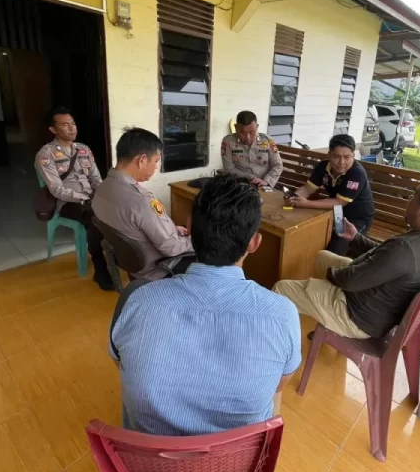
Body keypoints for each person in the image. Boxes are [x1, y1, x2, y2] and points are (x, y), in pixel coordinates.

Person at [109, 174, 301, 436]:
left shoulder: (138, 300)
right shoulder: (283, 314)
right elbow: (279, 385)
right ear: (254, 243)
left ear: (189, 227)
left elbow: (122, 364)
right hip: (237, 465)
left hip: (150, 465)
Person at [274, 173, 420, 339]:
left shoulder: (405, 249)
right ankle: (319, 309)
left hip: (358, 316)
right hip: (380, 305)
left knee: (281, 288)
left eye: (414, 195)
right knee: (322, 256)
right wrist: (355, 238)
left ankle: (278, 342)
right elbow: (385, 254)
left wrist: (332, 275)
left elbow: (351, 281)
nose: (410, 200)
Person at [92, 128, 193, 281]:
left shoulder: (102, 189)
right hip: (159, 269)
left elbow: (135, 227)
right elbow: (172, 248)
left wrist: (172, 230)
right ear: (142, 160)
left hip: (134, 266)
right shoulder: (141, 201)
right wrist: (198, 241)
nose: (156, 167)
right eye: (156, 161)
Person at [35, 106, 113, 291]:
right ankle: (100, 266)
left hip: (92, 198)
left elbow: (96, 179)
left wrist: (105, 194)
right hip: (68, 203)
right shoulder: (45, 155)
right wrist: (84, 199)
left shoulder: (84, 149)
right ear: (53, 130)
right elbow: (56, 189)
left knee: (121, 207)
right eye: (65, 125)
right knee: (94, 216)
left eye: (73, 123)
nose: (72, 128)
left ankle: (120, 255)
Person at [286, 134, 374, 256]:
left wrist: (306, 203)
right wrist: (294, 197)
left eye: (347, 157)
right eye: (336, 156)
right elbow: (307, 189)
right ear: (329, 155)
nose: (342, 162)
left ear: (354, 155)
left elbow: (340, 202)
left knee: (335, 249)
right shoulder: (323, 166)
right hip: (336, 213)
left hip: (357, 218)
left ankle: (333, 270)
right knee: (305, 232)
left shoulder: (356, 173)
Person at [221, 111, 283, 188]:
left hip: (264, 184)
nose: (247, 137)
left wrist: (266, 181)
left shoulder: (267, 141)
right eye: (243, 132)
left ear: (257, 127)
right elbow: (229, 169)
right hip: (239, 184)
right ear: (236, 127)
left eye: (252, 132)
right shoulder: (228, 142)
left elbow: (277, 165)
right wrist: (250, 177)